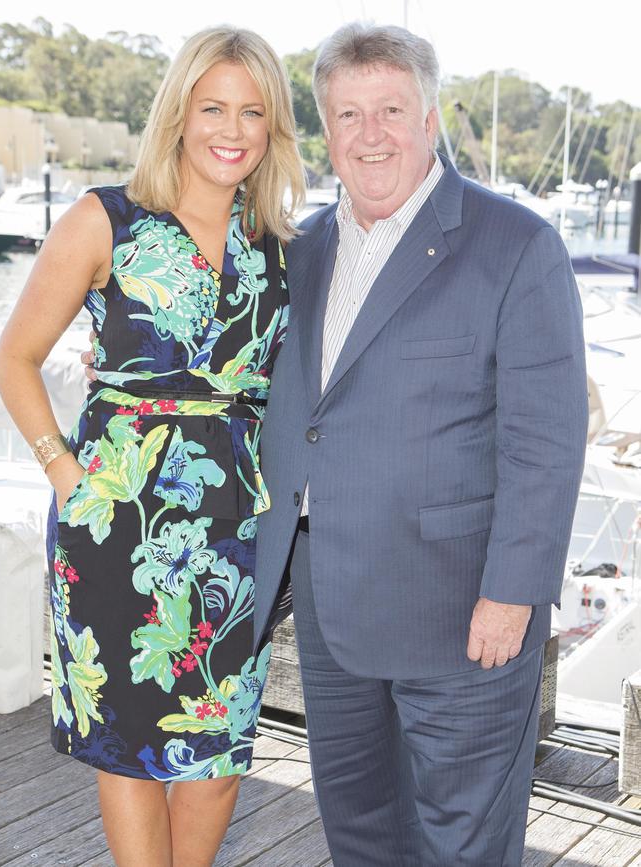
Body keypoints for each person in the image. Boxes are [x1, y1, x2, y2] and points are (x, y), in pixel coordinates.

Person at [251, 23, 589, 866]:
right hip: (332, 615)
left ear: (430, 119)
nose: (372, 135)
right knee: (361, 835)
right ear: (326, 130)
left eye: (391, 109)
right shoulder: (302, 251)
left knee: (464, 846)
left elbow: (545, 440)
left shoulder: (516, 245)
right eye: (349, 114)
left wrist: (514, 590)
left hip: (464, 620)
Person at [0, 26, 304, 867]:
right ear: (178, 114)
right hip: (113, 519)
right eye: (213, 107)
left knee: (218, 758)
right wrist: (66, 473)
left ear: (273, 127)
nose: (231, 129)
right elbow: (14, 358)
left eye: (252, 111)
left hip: (234, 532)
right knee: (131, 748)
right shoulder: (108, 219)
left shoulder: (282, 249)